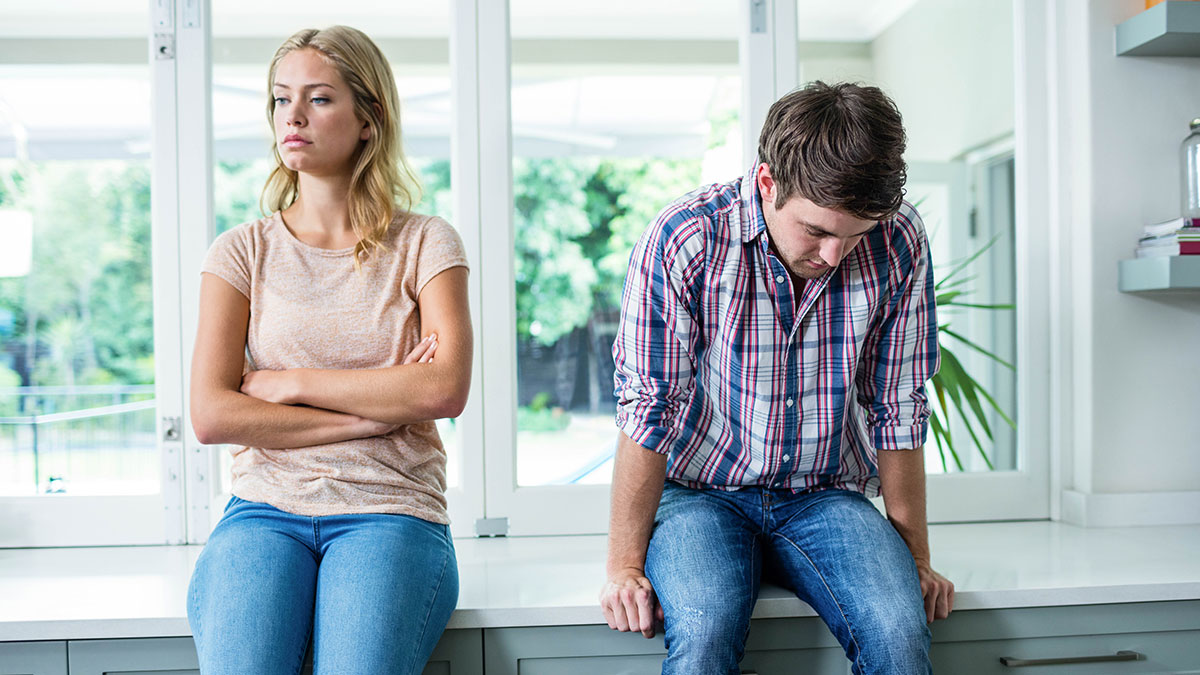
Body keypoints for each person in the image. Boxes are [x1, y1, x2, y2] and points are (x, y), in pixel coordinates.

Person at [599, 81, 954, 675]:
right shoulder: (686, 238)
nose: (836, 254)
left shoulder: (899, 240)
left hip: (825, 495)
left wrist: (913, 555)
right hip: (700, 494)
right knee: (706, 629)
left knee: (898, 629)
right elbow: (648, 407)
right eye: (816, 231)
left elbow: (898, 401)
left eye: (856, 235)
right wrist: (623, 567)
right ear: (767, 183)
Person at [186, 26, 471, 675]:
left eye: (318, 99)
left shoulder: (428, 244)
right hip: (263, 513)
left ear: (369, 118)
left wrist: (287, 383)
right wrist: (370, 414)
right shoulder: (240, 252)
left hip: (391, 511)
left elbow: (442, 389)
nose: (293, 116)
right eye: (281, 99)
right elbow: (212, 414)